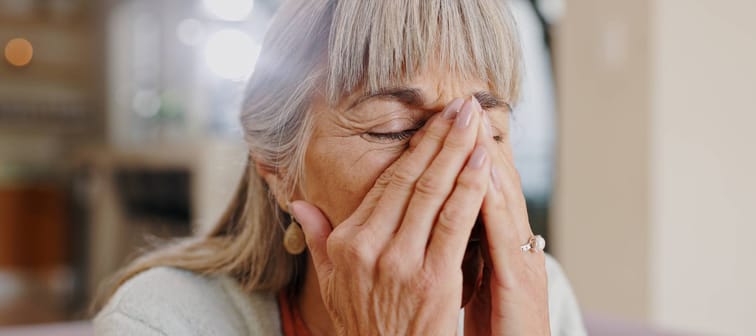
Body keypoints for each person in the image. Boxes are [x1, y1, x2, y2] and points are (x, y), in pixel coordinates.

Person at [94, 0, 586, 335]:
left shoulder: (537, 295)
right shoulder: (161, 321)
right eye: (392, 128)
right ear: (278, 166)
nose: (456, 172)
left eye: (489, 135)